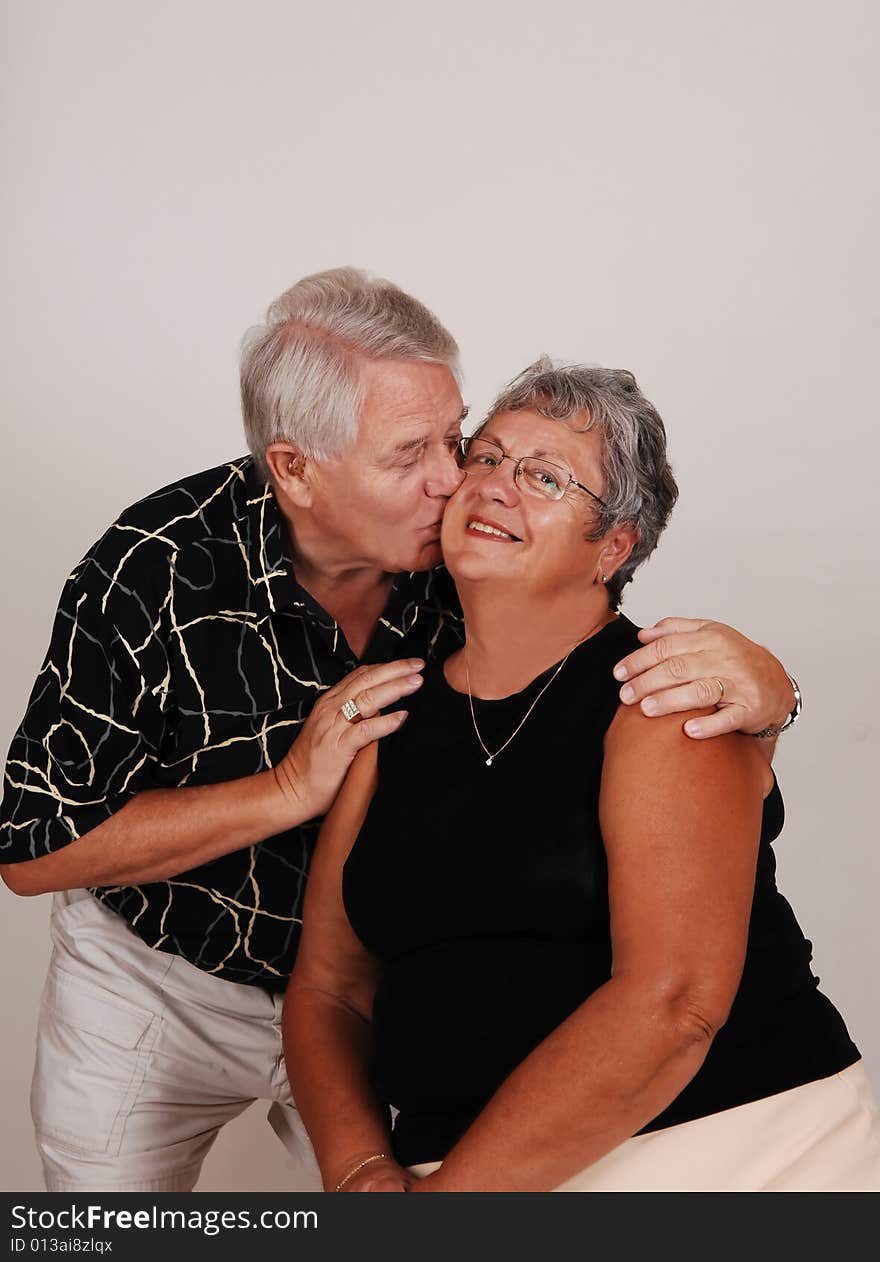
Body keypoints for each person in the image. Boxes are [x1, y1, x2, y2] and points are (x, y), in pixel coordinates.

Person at [0, 271, 797, 1193]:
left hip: (375, 993)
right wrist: (290, 790)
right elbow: (30, 850)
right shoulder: (153, 570)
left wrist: (774, 703)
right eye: (408, 453)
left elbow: (595, 680)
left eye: (456, 439)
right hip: (164, 977)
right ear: (295, 468)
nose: (458, 479)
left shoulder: (465, 554)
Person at [283, 358, 880, 1192]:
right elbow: (330, 989)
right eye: (485, 458)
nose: (495, 486)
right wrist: (360, 1172)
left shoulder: (665, 695)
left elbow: (674, 1007)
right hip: (448, 1178)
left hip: (730, 1153)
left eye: (546, 476)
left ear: (615, 546)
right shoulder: (388, 714)